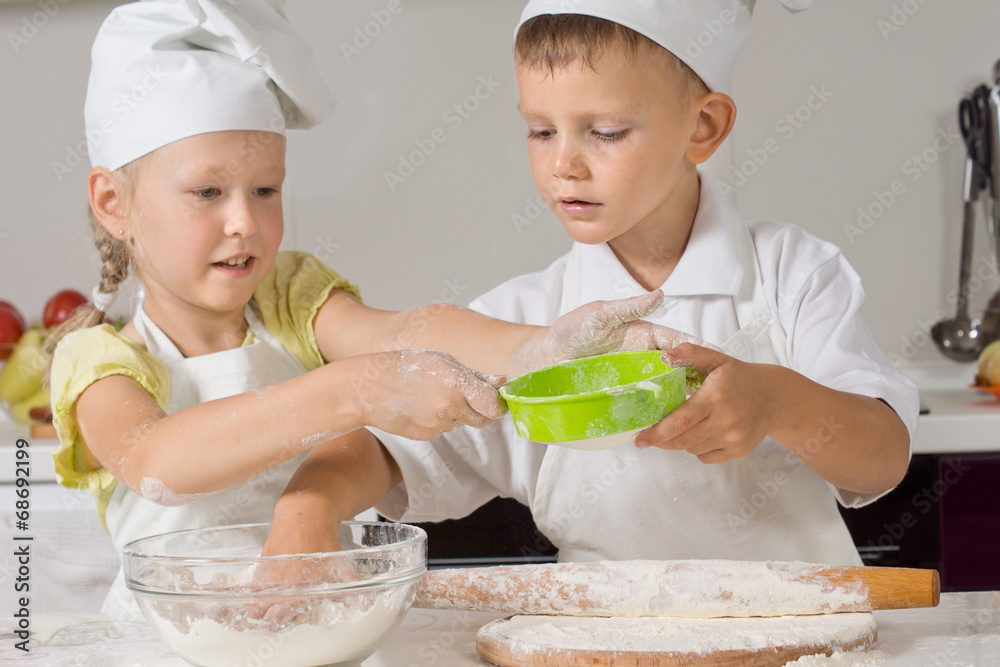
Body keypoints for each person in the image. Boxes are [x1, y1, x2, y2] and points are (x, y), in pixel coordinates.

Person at [47, 0, 697, 619]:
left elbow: (410, 329)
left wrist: (536, 349)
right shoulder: (98, 358)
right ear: (113, 203)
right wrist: (352, 389)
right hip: (168, 638)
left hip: (318, 619)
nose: (244, 221)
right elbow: (159, 463)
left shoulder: (286, 297)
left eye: (266, 189)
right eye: (207, 192)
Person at [269, 0, 919, 567]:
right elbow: (388, 451)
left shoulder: (795, 274)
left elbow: (884, 456)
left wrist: (780, 401)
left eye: (604, 132)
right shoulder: (524, 319)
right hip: (605, 641)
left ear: (704, 127)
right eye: (540, 130)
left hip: (795, 636)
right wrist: (307, 506)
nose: (562, 164)